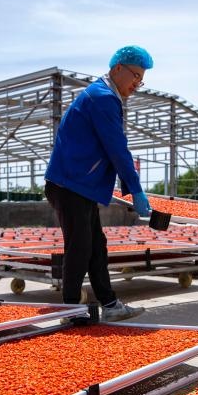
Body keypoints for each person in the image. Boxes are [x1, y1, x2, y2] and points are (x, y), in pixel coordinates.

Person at [44, 45, 154, 321]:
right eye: (135, 76)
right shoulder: (103, 98)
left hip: (77, 185)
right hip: (70, 184)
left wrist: (130, 187)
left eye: (142, 79)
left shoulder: (101, 94)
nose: (137, 84)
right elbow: (117, 148)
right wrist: (135, 189)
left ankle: (110, 304)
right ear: (118, 68)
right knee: (80, 247)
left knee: (95, 246)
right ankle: (70, 309)